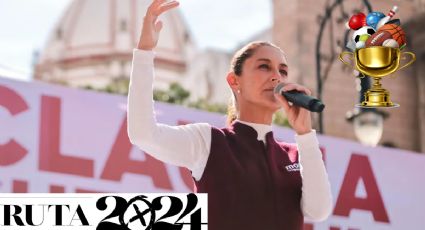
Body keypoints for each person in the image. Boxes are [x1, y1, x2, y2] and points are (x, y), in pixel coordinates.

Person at [127, 0, 333, 229]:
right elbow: (143, 134)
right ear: (234, 81)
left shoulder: (296, 153)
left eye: (282, 70)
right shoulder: (209, 142)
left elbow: (319, 210)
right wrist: (145, 52)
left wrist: (305, 134)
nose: (277, 77)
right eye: (264, 66)